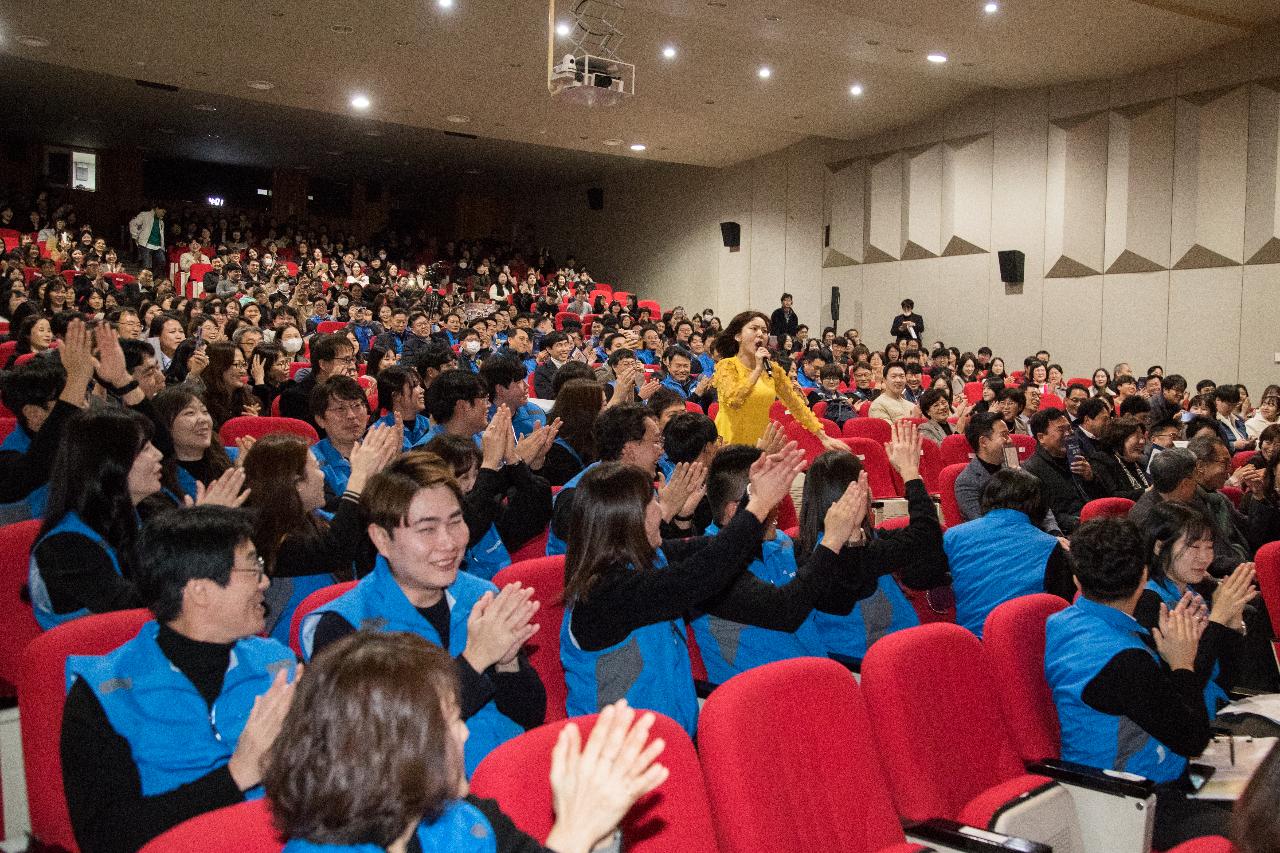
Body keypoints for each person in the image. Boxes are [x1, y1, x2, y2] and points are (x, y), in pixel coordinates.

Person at [265, 631, 667, 853]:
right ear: (392, 750)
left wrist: (599, 824)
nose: (465, 733)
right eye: (450, 722)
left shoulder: (463, 815)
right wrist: (573, 835)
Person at [561, 444, 851, 734]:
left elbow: (714, 548)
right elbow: (703, 574)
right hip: (617, 761)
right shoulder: (604, 594)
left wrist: (752, 495)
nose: (662, 510)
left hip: (670, 741)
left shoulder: (648, 559)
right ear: (627, 519)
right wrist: (759, 506)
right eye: (653, 502)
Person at [61, 505, 300, 853]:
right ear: (200, 591)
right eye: (253, 567)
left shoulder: (280, 666)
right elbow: (106, 839)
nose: (265, 581)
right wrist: (236, 776)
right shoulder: (104, 695)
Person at [299, 453, 546, 774]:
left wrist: (508, 661)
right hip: (422, 803)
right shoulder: (343, 627)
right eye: (427, 529)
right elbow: (379, 750)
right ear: (381, 538)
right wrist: (475, 660)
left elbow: (530, 715)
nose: (448, 543)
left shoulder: (479, 596)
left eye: (456, 521)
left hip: (507, 774)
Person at [1045, 517, 1230, 850]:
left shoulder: (1061, 622)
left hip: (1134, 781)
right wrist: (1183, 663)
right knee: (1260, 823)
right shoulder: (1123, 660)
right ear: (1144, 576)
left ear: (1077, 580)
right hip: (1133, 798)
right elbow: (1191, 738)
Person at [800, 422, 949, 662]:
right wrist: (910, 473)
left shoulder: (821, 545)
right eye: (864, 482)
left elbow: (925, 537)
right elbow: (926, 534)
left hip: (893, 652)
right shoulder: (852, 551)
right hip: (869, 664)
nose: (870, 490)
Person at [242, 429, 398, 642]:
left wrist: (372, 477)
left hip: (341, 627)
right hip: (296, 649)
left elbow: (357, 528)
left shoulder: (316, 518)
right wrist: (358, 477)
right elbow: (335, 550)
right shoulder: (267, 540)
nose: (322, 475)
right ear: (296, 484)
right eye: (316, 467)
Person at [1134, 502, 1261, 711]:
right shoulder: (1149, 602)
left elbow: (1227, 678)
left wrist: (1233, 621)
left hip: (1216, 707)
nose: (1204, 557)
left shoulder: (1195, 591)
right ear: (1159, 546)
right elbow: (1186, 688)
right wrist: (1218, 619)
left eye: (1209, 547)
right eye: (1193, 547)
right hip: (1187, 722)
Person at [423, 407, 557, 581]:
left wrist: (514, 461)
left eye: (476, 474)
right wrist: (490, 466)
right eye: (463, 477)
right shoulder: (431, 524)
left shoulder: (487, 505)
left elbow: (534, 519)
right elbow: (468, 525)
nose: (472, 484)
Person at [945, 469, 1074, 637]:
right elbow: (1062, 606)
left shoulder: (952, 536)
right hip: (1028, 643)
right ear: (1039, 506)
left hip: (971, 644)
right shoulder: (1049, 545)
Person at [710, 311, 847, 452]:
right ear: (738, 336)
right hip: (728, 445)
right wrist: (758, 369)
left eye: (764, 331)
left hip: (759, 444)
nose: (760, 334)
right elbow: (735, 400)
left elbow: (796, 405)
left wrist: (823, 437)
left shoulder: (773, 370)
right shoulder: (727, 365)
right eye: (754, 329)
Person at [1021, 407, 1108, 533]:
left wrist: (1090, 478)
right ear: (1041, 437)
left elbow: (1103, 495)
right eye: (1061, 430)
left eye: (1069, 428)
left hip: (1095, 521)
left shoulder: (1078, 457)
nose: (1068, 434)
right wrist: (1083, 522)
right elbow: (1045, 516)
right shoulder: (1030, 470)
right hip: (1070, 531)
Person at [309, 376, 376, 503]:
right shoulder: (312, 463)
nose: (351, 415)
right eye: (340, 409)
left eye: (357, 405)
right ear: (320, 420)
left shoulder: (379, 451)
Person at [541, 378, 603, 487]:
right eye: (604, 404)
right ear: (586, 410)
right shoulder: (556, 450)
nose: (607, 409)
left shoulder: (592, 434)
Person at [1089, 416, 1152, 502]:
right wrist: (1147, 491)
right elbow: (1112, 496)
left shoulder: (1140, 463)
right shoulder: (1102, 460)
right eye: (1137, 437)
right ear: (1120, 438)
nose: (1142, 442)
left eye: (1142, 437)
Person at [373, 364, 431, 449]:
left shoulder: (428, 424)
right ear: (396, 395)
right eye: (415, 386)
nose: (422, 390)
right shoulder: (379, 432)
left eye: (420, 385)